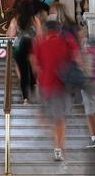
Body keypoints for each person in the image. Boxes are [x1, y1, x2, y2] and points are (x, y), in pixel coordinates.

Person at [31, 17, 79, 162]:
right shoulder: (66, 41)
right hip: (60, 86)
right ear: (58, 30)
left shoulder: (40, 43)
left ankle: (45, 121)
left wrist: (40, 76)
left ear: (46, 30)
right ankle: (58, 148)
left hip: (45, 85)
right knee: (60, 120)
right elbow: (77, 58)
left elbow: (34, 64)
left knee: (50, 118)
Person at [6, 0, 39, 104]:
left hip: (20, 47)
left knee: (23, 72)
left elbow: (10, 35)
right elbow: (40, 35)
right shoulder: (35, 20)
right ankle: (33, 87)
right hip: (32, 46)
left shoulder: (16, 20)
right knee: (32, 69)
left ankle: (25, 98)